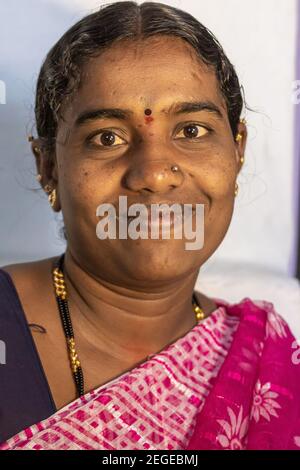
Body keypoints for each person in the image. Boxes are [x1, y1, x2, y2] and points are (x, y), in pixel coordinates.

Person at [0, 1, 299, 450]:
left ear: (237, 151)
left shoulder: (268, 363)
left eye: (192, 131)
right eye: (107, 138)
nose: (156, 174)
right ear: (48, 168)